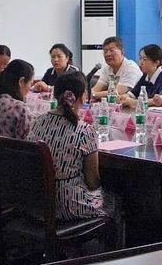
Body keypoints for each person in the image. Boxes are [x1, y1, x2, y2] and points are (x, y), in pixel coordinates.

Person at [27, 71, 116, 221]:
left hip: (36, 202)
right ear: (84, 96)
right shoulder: (85, 131)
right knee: (115, 201)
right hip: (68, 204)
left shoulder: (37, 122)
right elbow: (93, 182)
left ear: (56, 94)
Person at [120, 44, 162, 109]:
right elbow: (133, 93)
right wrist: (124, 97)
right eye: (140, 58)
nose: (141, 62)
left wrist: (135, 102)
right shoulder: (145, 76)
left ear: (156, 62)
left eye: (145, 59)